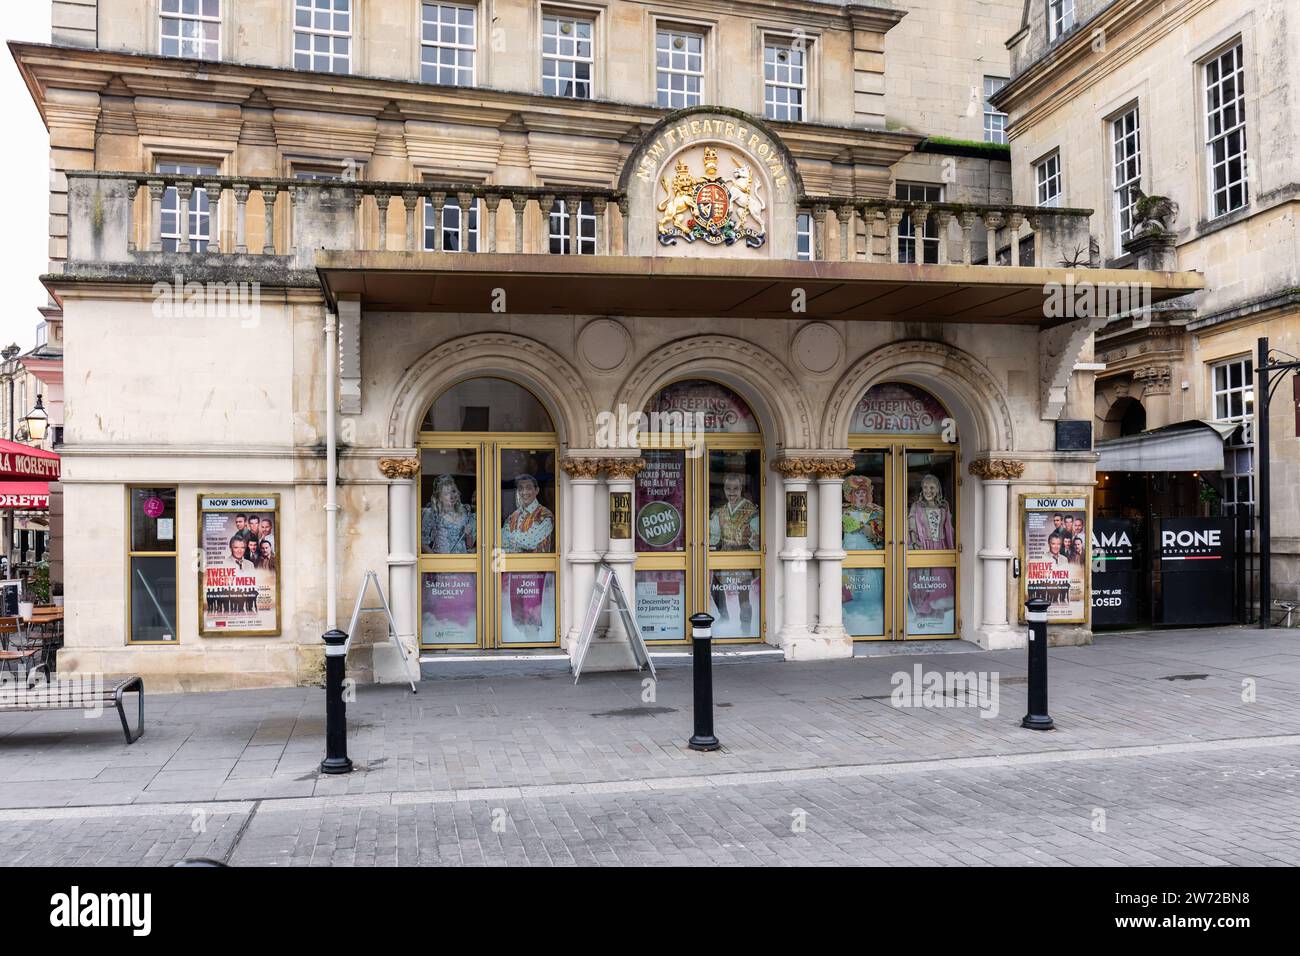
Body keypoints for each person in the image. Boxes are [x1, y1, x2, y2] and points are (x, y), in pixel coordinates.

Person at [501, 475, 555, 640]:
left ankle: (536, 645)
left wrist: (514, 539)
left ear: (536, 490)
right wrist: (518, 539)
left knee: (533, 617)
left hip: (535, 573)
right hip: (514, 573)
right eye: (521, 488)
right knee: (517, 619)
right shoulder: (513, 516)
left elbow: (531, 541)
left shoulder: (545, 514)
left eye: (528, 488)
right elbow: (502, 540)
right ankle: (522, 645)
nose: (524, 492)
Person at [708, 473, 760, 634]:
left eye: (735, 489)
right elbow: (714, 538)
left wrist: (752, 538)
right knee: (715, 587)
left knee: (743, 595)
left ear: (741, 489)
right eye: (728, 489)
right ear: (724, 489)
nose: (732, 493)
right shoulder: (720, 512)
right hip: (724, 555)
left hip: (743, 555)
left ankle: (745, 629)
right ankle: (724, 617)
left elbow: (757, 537)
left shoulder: (751, 510)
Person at [907, 473, 955, 622]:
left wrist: (951, 548)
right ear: (922, 489)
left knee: (941, 580)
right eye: (925, 487)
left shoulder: (944, 505)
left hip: (940, 547)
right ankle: (923, 611)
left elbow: (949, 528)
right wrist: (915, 543)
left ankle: (938, 611)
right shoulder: (917, 506)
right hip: (923, 546)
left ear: (938, 489)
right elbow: (911, 526)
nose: (928, 491)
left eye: (932, 487)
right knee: (923, 580)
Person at [422, 475, 477, 554]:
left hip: (463, 562)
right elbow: (423, 544)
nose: (452, 496)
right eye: (446, 494)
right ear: (439, 497)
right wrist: (437, 560)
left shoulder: (465, 511)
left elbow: (469, 546)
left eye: (453, 491)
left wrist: (468, 534)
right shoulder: (432, 513)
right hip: (442, 563)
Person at [842, 475, 885, 550]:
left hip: (867, 549)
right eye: (857, 493)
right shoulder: (843, 510)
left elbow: (879, 536)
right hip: (847, 549)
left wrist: (863, 527)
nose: (861, 495)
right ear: (851, 495)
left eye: (864, 492)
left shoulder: (875, 511)